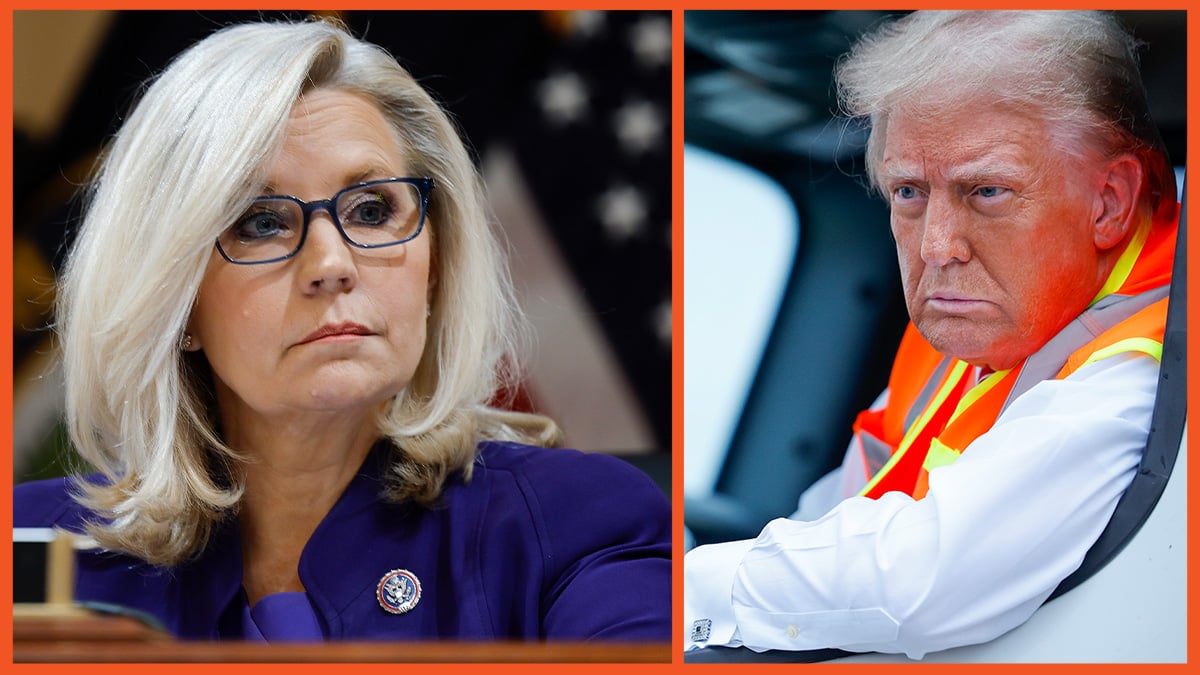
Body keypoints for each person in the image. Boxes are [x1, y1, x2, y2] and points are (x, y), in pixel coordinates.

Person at [14, 18, 670, 643]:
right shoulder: (31, 552)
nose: (330, 264)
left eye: (373, 208)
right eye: (260, 221)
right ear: (176, 302)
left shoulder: (577, 520)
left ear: (435, 265)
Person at [684, 10, 1178, 659]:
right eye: (909, 191)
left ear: (1109, 201)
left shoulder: (1143, 372)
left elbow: (915, 581)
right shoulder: (972, 333)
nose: (937, 245)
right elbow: (833, 516)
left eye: (987, 191)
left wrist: (673, 592)